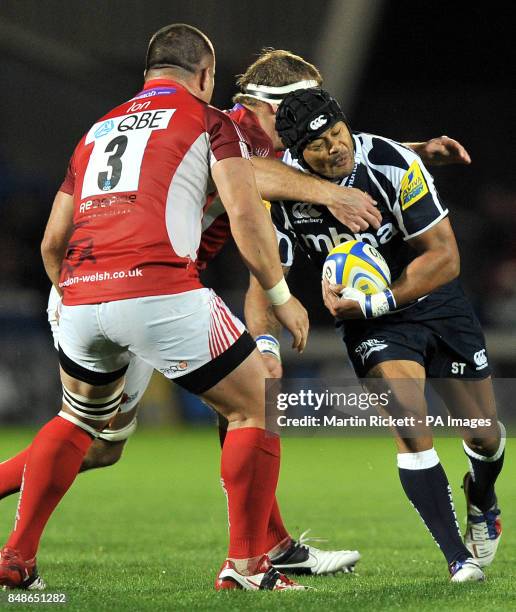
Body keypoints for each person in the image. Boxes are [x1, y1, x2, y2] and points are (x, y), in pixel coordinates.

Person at [0, 48, 474, 579]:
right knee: (242, 405)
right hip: (153, 289)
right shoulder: (224, 131)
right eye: (300, 105)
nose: (312, 116)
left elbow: (309, 160)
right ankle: (251, 559)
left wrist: (413, 152)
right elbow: (253, 178)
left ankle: (269, 543)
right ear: (265, 105)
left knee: (104, 436)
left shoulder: (152, 129)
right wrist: (306, 240)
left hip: (89, 285)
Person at [0, 23, 312, 592]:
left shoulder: (96, 130)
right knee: (255, 403)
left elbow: (51, 242)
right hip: (158, 288)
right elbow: (245, 216)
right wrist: (280, 297)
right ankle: (247, 565)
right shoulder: (210, 121)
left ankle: (16, 557)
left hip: (78, 295)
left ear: (148, 73)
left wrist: (71, 293)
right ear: (205, 75)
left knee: (81, 425)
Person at [244, 87, 504, 583]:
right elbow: (265, 275)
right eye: (317, 146)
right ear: (298, 153)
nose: (333, 149)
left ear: (347, 126)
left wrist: (381, 298)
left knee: (485, 436)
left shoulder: (391, 161)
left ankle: (482, 495)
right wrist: (266, 343)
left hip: (436, 302)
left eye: (338, 134)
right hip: (370, 324)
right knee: (411, 425)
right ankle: (458, 558)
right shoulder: (284, 193)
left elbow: (445, 256)